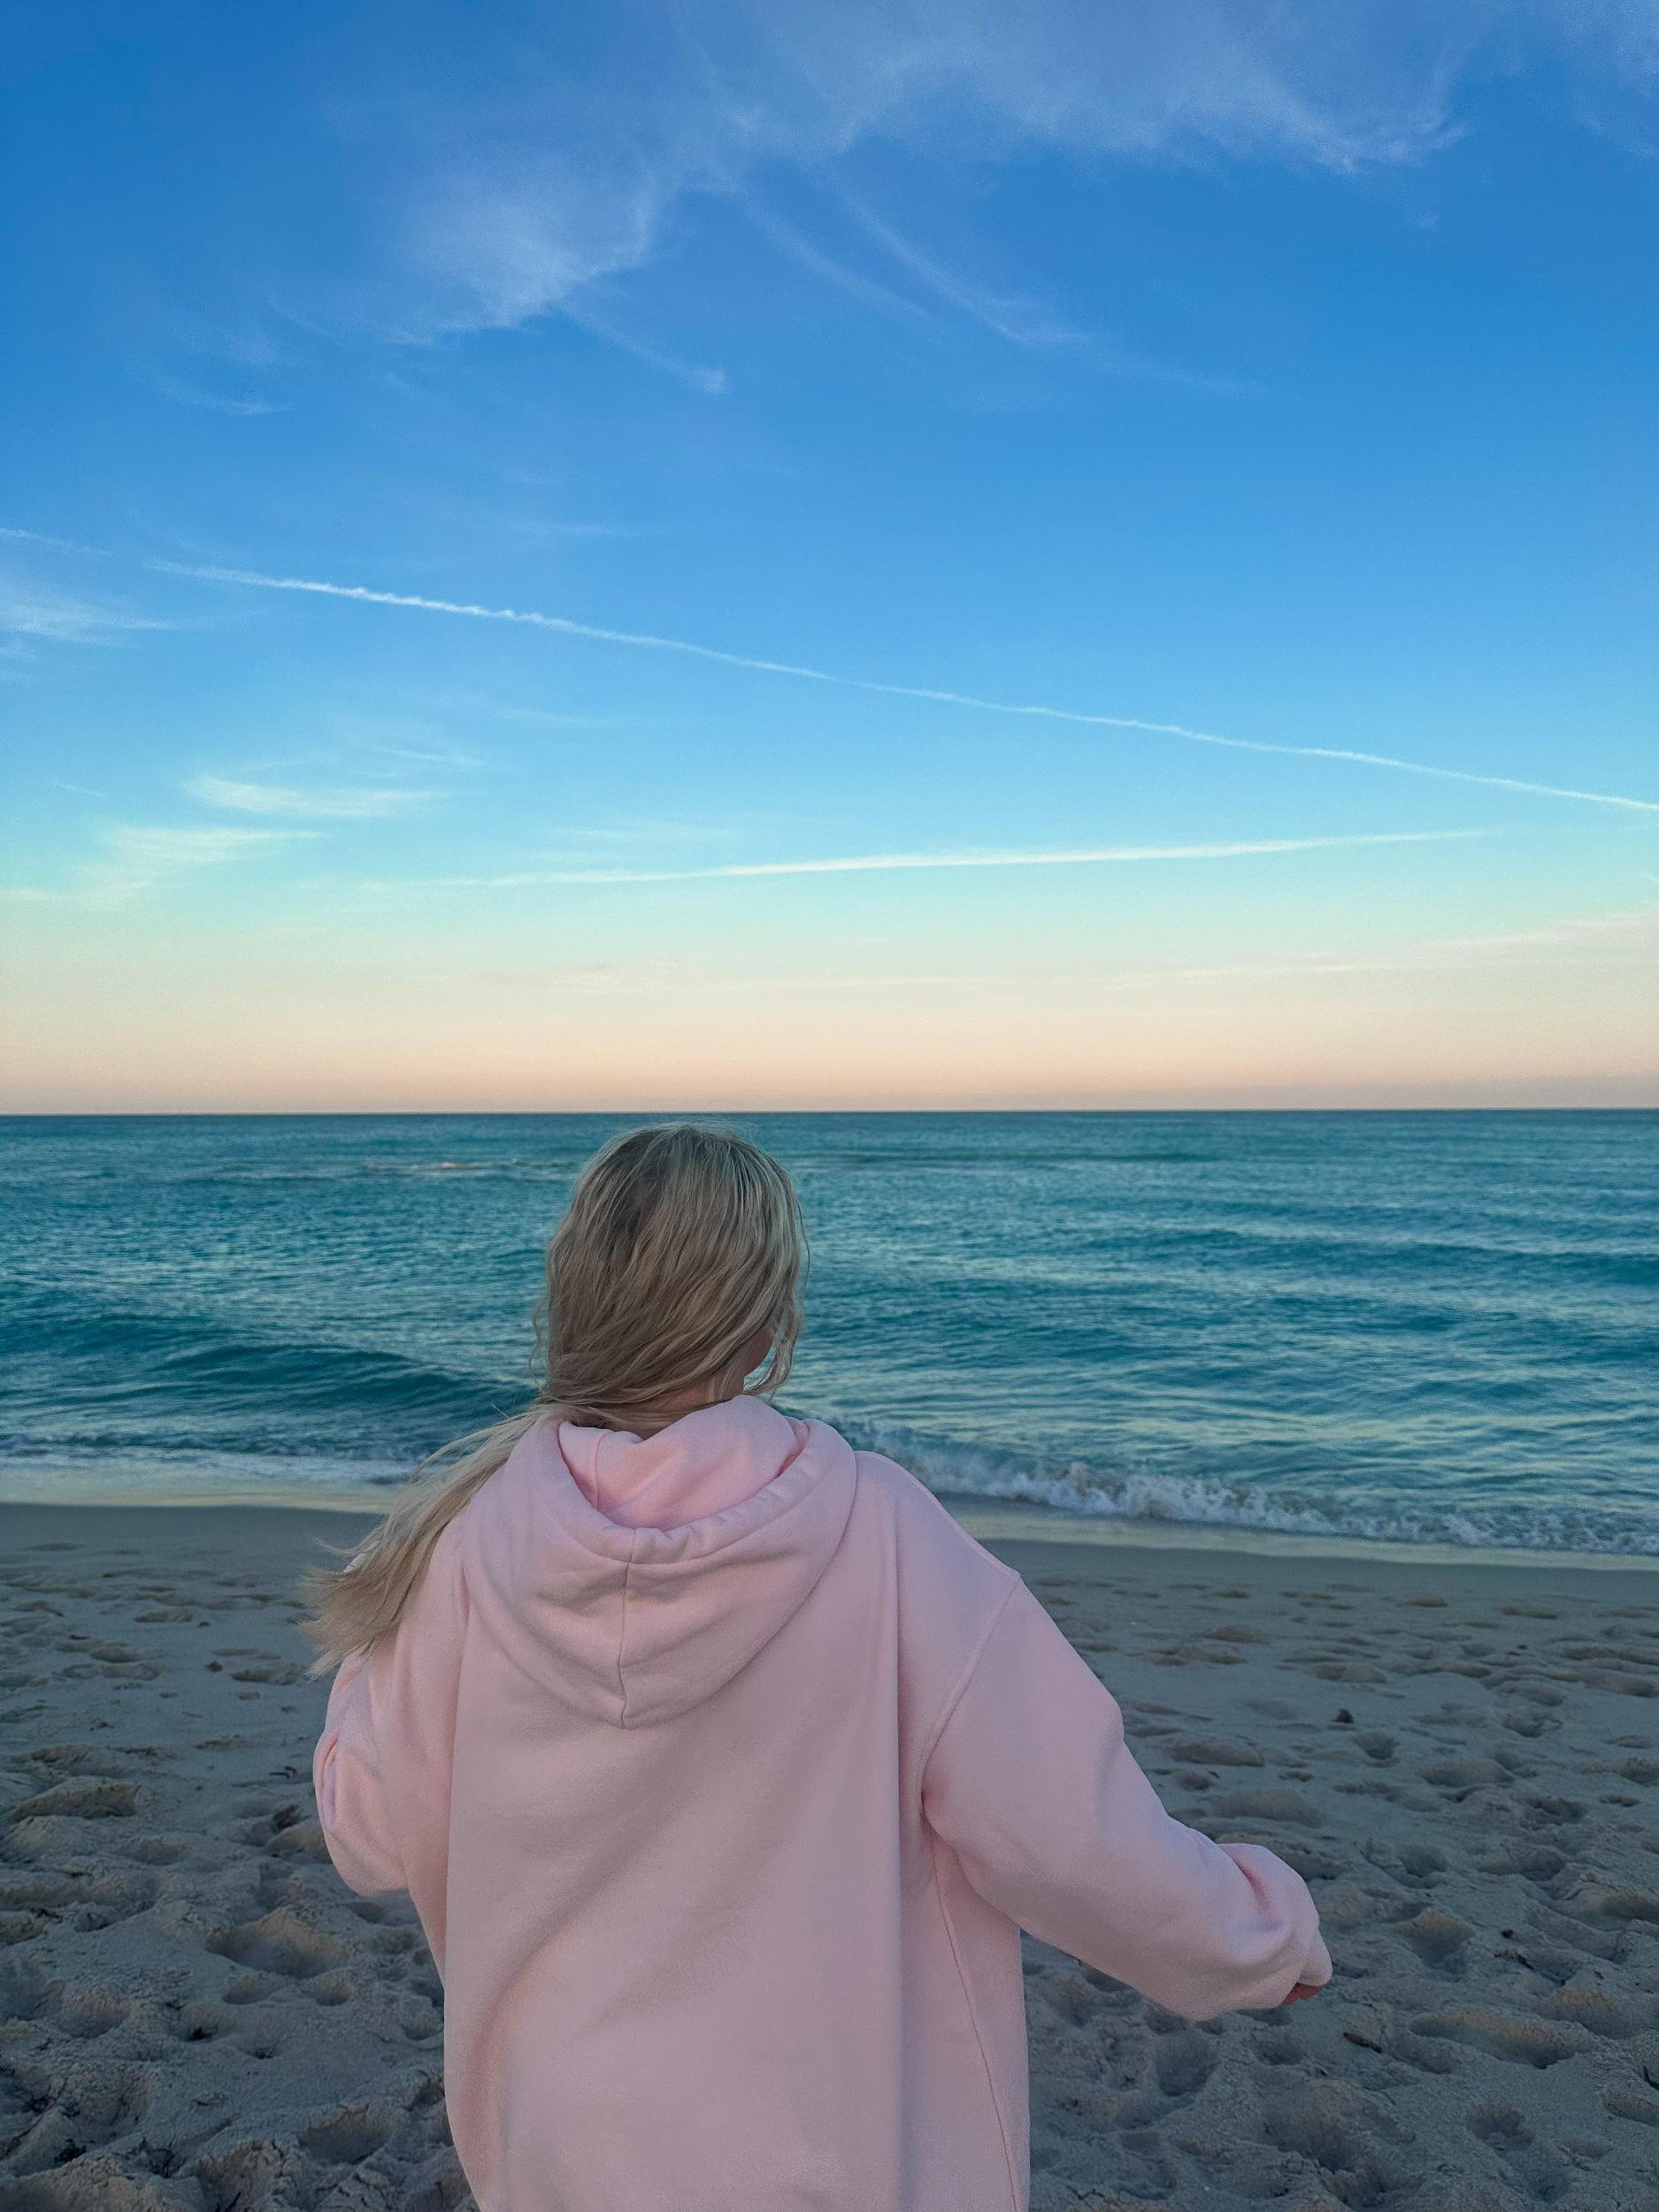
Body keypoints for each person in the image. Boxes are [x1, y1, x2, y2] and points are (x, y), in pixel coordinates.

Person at [306, 1121, 1329, 2212]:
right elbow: (1068, 1835)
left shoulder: (469, 1546)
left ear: (573, 1296)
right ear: (765, 1320)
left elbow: (365, 1829)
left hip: (559, 2150)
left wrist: (380, 1648)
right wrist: (1256, 1938)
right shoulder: (882, 1536)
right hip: (838, 2152)